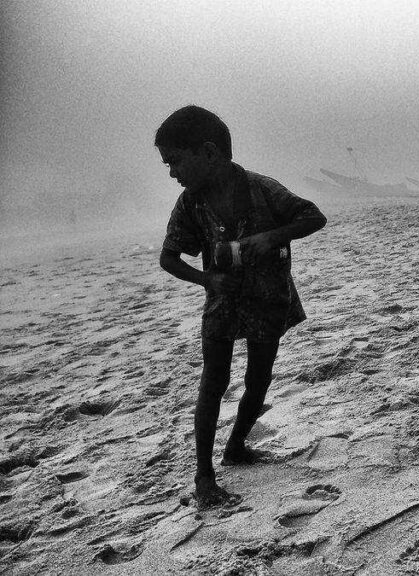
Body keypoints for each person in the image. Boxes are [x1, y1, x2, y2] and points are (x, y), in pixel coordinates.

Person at [155, 105, 327, 508]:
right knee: (213, 383)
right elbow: (169, 258)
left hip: (269, 298)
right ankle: (204, 477)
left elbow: (313, 216)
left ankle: (236, 446)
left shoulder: (261, 188)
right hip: (222, 303)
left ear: (209, 153)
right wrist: (207, 279)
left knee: (259, 378)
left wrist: (272, 238)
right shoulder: (190, 204)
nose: (171, 172)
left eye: (175, 160)